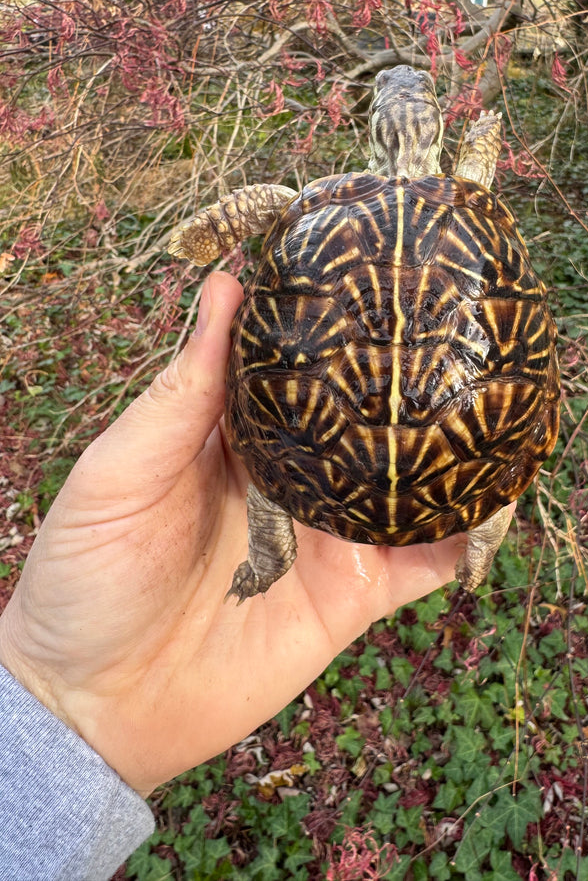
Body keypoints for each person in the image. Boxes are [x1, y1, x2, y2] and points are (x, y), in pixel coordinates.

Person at [0, 272, 483, 881]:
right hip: (432, 465)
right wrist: (56, 696)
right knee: (456, 489)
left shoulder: (311, 217)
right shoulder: (469, 246)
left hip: (298, 446)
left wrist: (53, 698)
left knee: (273, 486)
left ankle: (462, 518)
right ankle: (478, 519)